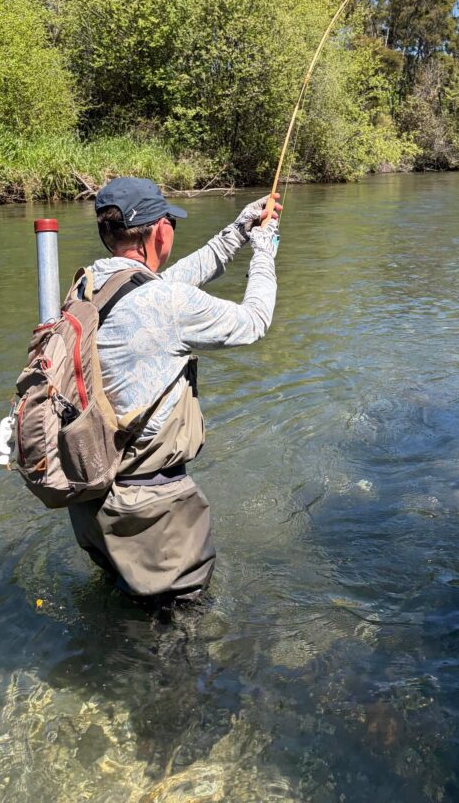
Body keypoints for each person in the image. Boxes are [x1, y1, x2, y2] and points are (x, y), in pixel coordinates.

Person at [67, 176, 280, 606]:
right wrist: (263, 250)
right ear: (159, 229)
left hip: (91, 500)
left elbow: (179, 279)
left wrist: (240, 227)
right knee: (178, 638)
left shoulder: (88, 286)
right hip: (152, 514)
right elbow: (254, 321)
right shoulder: (166, 303)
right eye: (171, 224)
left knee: (125, 611)